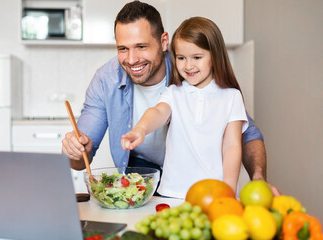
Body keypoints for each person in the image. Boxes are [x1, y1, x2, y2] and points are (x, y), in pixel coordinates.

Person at [61, 1, 280, 196]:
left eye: (141, 47)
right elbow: (81, 161)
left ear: (164, 41)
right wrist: (76, 148)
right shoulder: (107, 79)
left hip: (202, 178)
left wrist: (258, 180)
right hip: (150, 175)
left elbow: (246, 134)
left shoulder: (196, 77)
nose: (132, 59)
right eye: (123, 49)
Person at [122, 16, 247, 197]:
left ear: (215, 55)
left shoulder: (231, 97)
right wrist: (141, 129)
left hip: (214, 194)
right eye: (181, 58)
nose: (188, 66)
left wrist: (228, 191)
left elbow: (232, 147)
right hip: (172, 192)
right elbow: (157, 112)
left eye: (197, 57)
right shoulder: (173, 93)